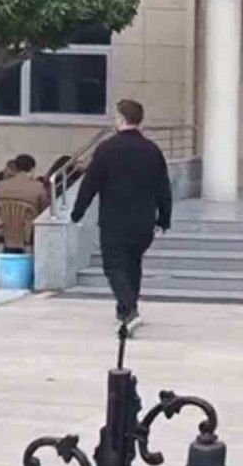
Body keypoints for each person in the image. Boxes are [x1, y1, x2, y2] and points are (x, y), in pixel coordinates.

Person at [71, 100, 172, 335]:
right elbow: (163, 188)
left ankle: (129, 309)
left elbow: (90, 184)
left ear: (121, 119)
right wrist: (164, 218)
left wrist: (78, 212)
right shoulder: (152, 150)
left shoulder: (107, 149)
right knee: (133, 264)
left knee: (114, 266)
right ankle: (126, 309)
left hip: (114, 220)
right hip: (143, 221)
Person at [0, 154, 51, 247]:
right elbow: (45, 210)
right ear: (32, 169)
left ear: (16, 167)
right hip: (27, 233)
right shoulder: (38, 187)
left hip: (2, 232)